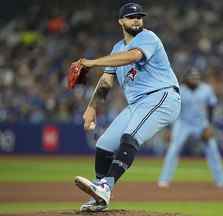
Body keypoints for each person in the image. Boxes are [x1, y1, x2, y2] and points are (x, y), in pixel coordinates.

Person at [73, 2, 181, 212]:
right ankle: (99, 196)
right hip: (138, 104)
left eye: (140, 16)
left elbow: (133, 56)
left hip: (162, 96)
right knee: (104, 145)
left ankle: (105, 186)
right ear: (121, 21)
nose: (137, 20)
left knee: (130, 136)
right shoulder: (117, 48)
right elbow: (105, 82)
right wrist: (91, 108)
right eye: (132, 17)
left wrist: (92, 62)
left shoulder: (148, 37)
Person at [158, 69, 223, 189]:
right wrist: (168, 128)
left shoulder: (206, 89)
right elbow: (172, 109)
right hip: (183, 123)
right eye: (192, 77)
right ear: (186, 78)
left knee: (212, 149)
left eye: (196, 77)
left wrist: (209, 126)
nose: (194, 79)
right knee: (173, 149)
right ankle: (164, 180)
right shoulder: (180, 89)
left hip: (201, 123)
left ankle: (221, 180)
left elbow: (211, 107)